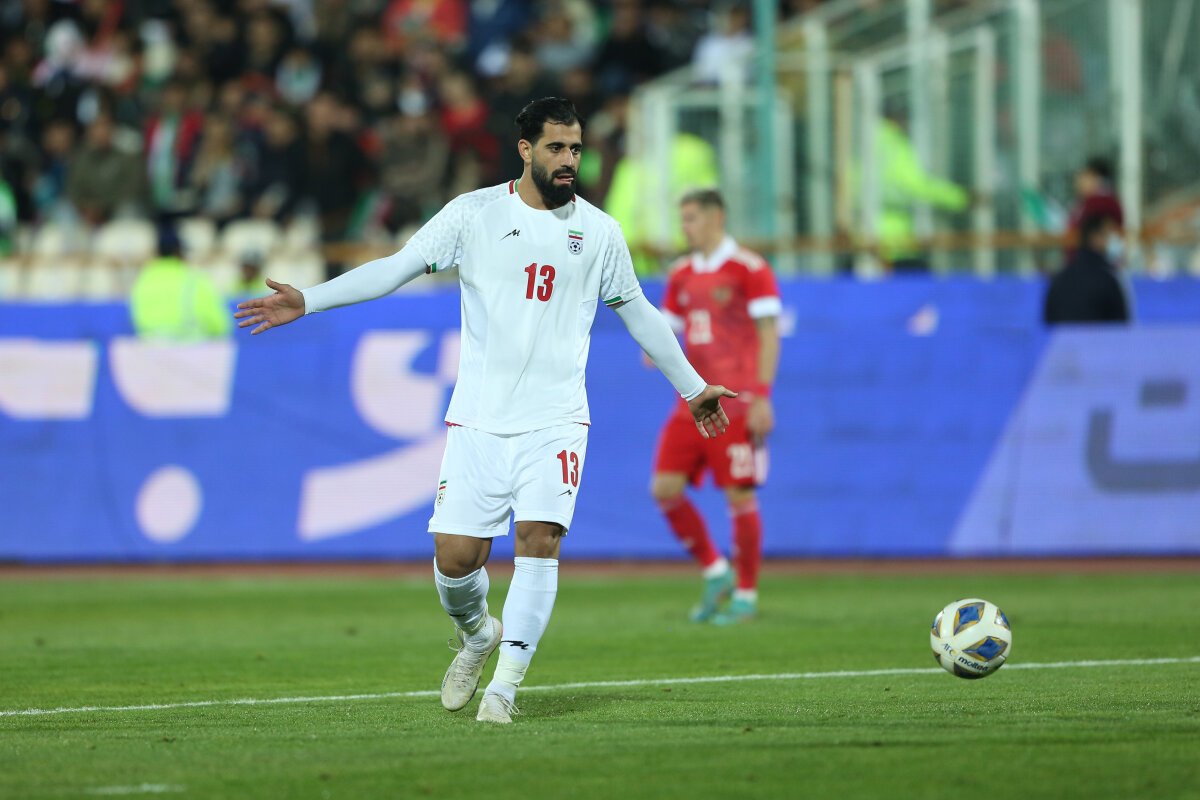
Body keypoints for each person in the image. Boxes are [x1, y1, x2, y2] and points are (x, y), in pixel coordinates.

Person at [233, 97, 734, 725]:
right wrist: (309, 300)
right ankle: (476, 634)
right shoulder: (473, 215)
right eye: (556, 148)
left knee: (539, 541)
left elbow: (639, 312)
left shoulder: (600, 232)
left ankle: (505, 690)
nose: (569, 160)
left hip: (557, 419)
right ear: (525, 149)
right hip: (478, 420)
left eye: (576, 149)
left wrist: (692, 387)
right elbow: (395, 269)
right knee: (455, 560)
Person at [650, 189, 780, 625]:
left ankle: (746, 593)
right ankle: (715, 570)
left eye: (691, 218)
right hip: (692, 402)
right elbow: (664, 330)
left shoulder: (749, 268)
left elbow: (769, 335)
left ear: (716, 217)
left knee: (739, 495)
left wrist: (762, 396)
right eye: (682, 219)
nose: (685, 227)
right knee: (665, 488)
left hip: (737, 402)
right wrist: (653, 348)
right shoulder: (681, 273)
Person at [130, 225, 231, 341]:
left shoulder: (143, 279)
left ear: (157, 252)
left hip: (151, 345)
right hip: (190, 345)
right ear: (178, 251)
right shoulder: (193, 278)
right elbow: (219, 324)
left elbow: (137, 319)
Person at [1044, 213, 1131, 325]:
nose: (1115, 240)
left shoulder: (1058, 279)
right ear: (1094, 238)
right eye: (1109, 234)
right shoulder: (1108, 281)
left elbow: (1048, 322)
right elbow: (1121, 327)